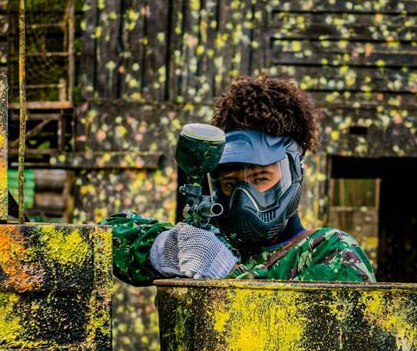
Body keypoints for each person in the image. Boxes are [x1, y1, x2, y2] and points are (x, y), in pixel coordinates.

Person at [103, 76, 375, 284]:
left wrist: (226, 272)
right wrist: (162, 248)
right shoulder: (212, 243)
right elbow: (106, 237)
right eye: (232, 184)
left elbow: (291, 341)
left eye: (261, 177)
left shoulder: (331, 252)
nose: (245, 197)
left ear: (294, 173)